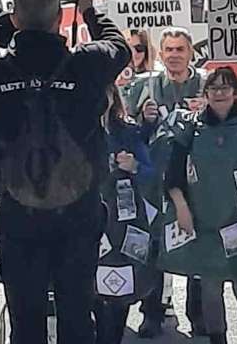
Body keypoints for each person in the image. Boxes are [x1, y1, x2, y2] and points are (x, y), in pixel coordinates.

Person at [0, 0, 128, 343]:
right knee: (76, 310)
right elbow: (118, 46)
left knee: (26, 315)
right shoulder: (87, 64)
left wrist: (11, 17)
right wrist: (89, 10)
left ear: (17, 18)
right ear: (60, 17)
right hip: (78, 211)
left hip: (18, 210)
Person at [161, 67, 237, 344]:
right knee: (210, 288)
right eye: (214, 88)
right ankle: (218, 339)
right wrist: (181, 208)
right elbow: (173, 176)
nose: (220, 93)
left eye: (226, 87)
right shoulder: (190, 129)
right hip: (205, 222)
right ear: (205, 94)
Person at [95, 82, 157, 344]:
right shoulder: (68, 130)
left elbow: (153, 173)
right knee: (88, 288)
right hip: (83, 218)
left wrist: (135, 167)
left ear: (113, 97)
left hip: (122, 222)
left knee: (120, 286)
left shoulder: (128, 132)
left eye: (104, 93)